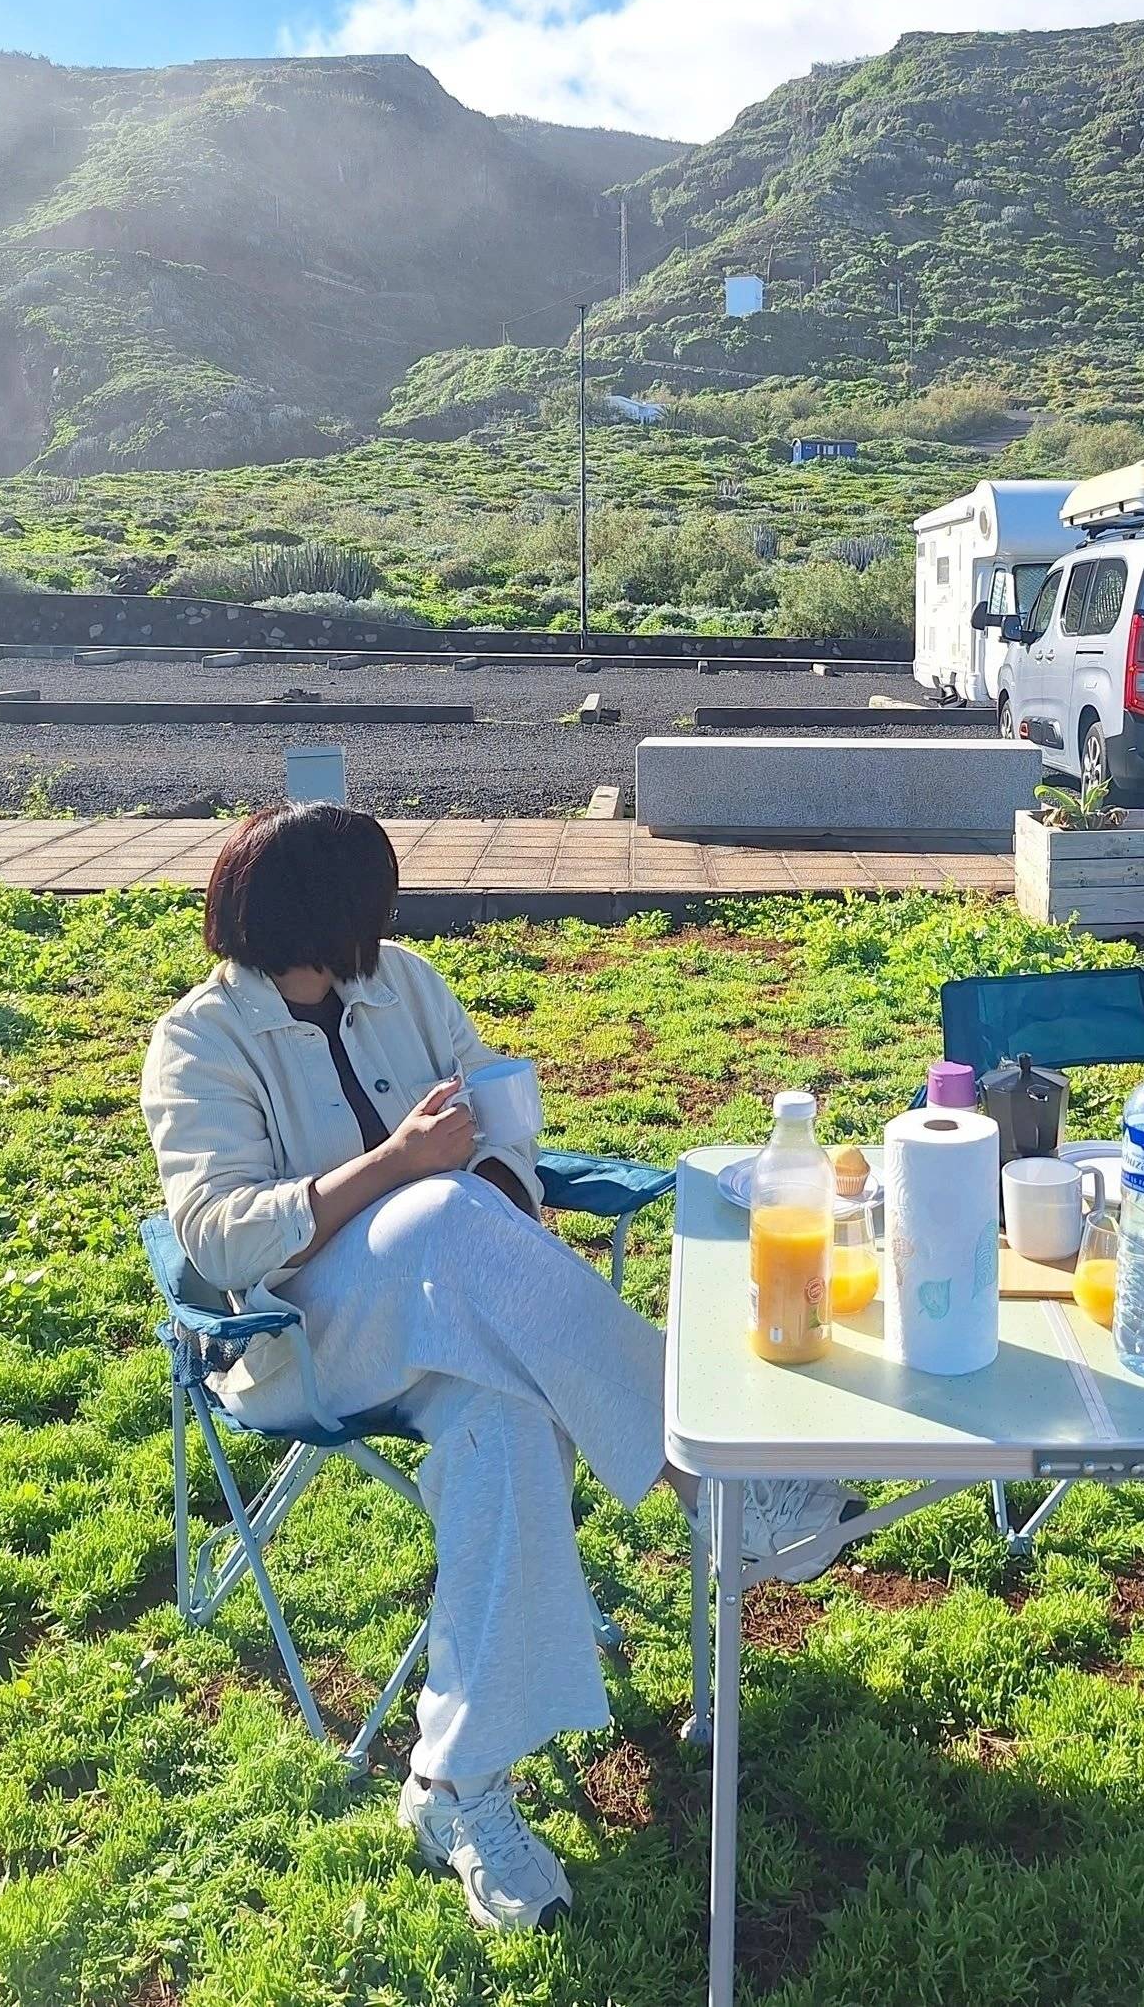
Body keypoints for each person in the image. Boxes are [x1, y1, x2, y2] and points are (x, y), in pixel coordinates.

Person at [141, 803, 855, 1932]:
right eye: (370, 907)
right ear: (316, 919)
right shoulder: (199, 1040)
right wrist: (399, 1167)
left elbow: (503, 1113)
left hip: (457, 1319)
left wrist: (502, 1188)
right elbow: (219, 1235)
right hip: (302, 1337)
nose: (390, 926)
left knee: (506, 1424)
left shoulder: (406, 986)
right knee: (434, 1210)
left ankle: (457, 1786)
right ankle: (715, 1479)